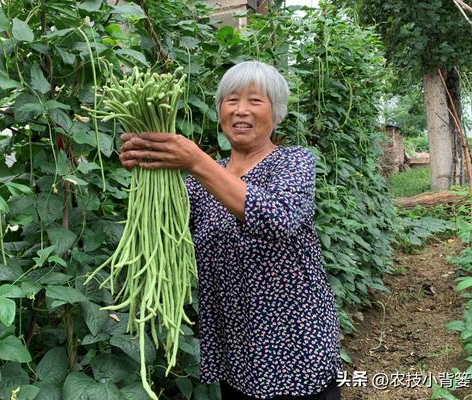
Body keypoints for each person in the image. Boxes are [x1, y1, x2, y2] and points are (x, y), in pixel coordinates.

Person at [119, 61, 341, 400]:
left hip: (295, 346)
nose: (241, 110)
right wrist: (147, 163)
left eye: (255, 101)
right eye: (231, 100)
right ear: (220, 110)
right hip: (236, 352)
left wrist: (195, 160)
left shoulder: (294, 162)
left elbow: (276, 218)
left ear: (276, 113)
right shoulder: (202, 180)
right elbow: (163, 224)